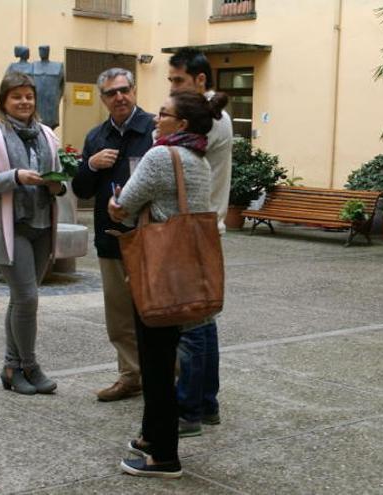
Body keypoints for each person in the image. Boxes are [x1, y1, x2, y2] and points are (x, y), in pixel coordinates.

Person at [108, 90, 223, 478]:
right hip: (182, 271)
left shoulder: (161, 155)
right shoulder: (197, 158)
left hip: (157, 272)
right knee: (161, 355)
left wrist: (117, 203)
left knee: (155, 363)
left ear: (182, 124)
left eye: (163, 114)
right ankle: (149, 435)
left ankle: (163, 456)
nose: (156, 119)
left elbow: (124, 207)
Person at [0, 72, 66, 396]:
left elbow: (58, 177)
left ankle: (11, 368)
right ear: (4, 101)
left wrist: (57, 183)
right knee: (27, 298)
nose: (24, 102)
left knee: (22, 299)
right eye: (17, 96)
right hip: (11, 227)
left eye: (29, 96)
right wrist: (15, 176)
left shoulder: (46, 134)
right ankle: (29, 365)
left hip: (42, 224)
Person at [72, 68, 155, 402]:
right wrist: (91, 165)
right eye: (111, 93)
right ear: (102, 98)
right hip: (111, 237)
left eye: (124, 90)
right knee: (119, 315)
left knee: (155, 312)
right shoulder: (97, 136)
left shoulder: (153, 129)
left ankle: (167, 378)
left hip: (150, 237)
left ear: (134, 90)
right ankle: (130, 375)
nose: (119, 97)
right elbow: (80, 189)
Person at [166, 48, 233, 437]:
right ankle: (206, 404)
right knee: (202, 322)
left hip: (195, 229)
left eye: (179, 82)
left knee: (192, 324)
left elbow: (171, 153)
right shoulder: (215, 116)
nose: (172, 90)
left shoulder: (208, 121)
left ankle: (190, 408)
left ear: (201, 81)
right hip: (206, 227)